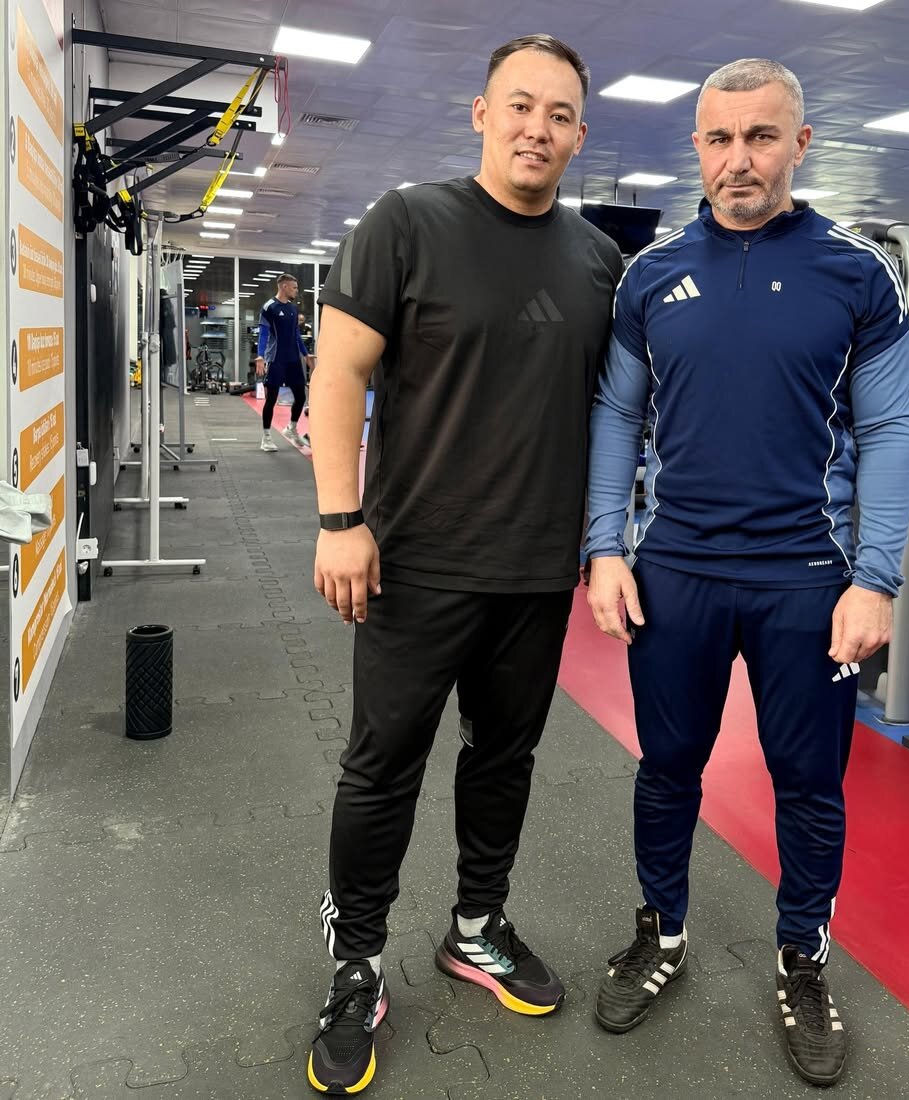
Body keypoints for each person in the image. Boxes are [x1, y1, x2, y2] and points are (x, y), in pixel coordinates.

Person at [584, 58, 909, 1088]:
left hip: (807, 579)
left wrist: (876, 577)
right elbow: (617, 414)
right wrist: (605, 546)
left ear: (799, 144)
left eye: (761, 136)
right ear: (696, 147)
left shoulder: (858, 275)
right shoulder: (650, 276)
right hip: (674, 571)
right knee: (667, 767)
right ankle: (662, 929)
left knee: (809, 780)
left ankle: (802, 955)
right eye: (720, 138)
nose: (740, 159)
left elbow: (889, 426)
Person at [306, 34, 623, 1095]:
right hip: (415, 562)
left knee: (503, 759)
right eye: (520, 105)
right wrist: (340, 518)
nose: (539, 128)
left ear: (580, 134)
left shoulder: (598, 261)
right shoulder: (407, 222)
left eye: (560, 114)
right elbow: (339, 374)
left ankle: (476, 925)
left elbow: (615, 412)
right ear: (482, 113)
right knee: (381, 765)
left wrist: (607, 544)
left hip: (535, 571)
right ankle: (357, 961)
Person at [254, 273, 309, 451]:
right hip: (276, 359)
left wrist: (306, 354)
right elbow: (263, 334)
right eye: (294, 287)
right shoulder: (269, 307)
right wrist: (260, 356)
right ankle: (266, 437)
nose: (296, 291)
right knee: (271, 399)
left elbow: (296, 334)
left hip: (293, 360)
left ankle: (291, 428)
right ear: (284, 286)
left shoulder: (293, 309)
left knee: (301, 396)